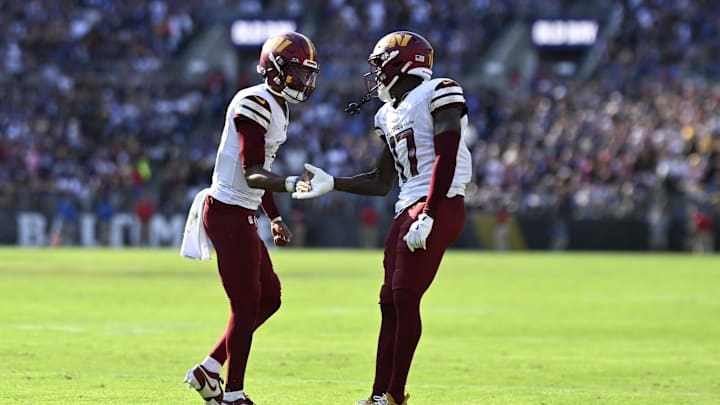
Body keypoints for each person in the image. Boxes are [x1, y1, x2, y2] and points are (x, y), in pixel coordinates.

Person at [294, 30, 472, 405]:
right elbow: (380, 181)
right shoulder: (387, 115)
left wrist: (429, 213)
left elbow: (447, 155)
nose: (375, 73)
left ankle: (392, 396)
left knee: (405, 298)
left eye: (379, 64)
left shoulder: (439, 90)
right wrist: (335, 183)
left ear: (402, 62)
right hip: (406, 207)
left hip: (436, 203)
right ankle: (379, 395)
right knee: (389, 301)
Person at [183, 31, 319, 405]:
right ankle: (233, 393)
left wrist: (273, 216)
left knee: (269, 298)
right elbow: (252, 172)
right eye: (297, 72)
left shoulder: (278, 105)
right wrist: (291, 186)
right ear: (274, 70)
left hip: (241, 211)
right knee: (245, 307)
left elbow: (261, 171)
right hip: (227, 211)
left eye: (308, 74)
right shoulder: (254, 102)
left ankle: (209, 368)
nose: (304, 81)